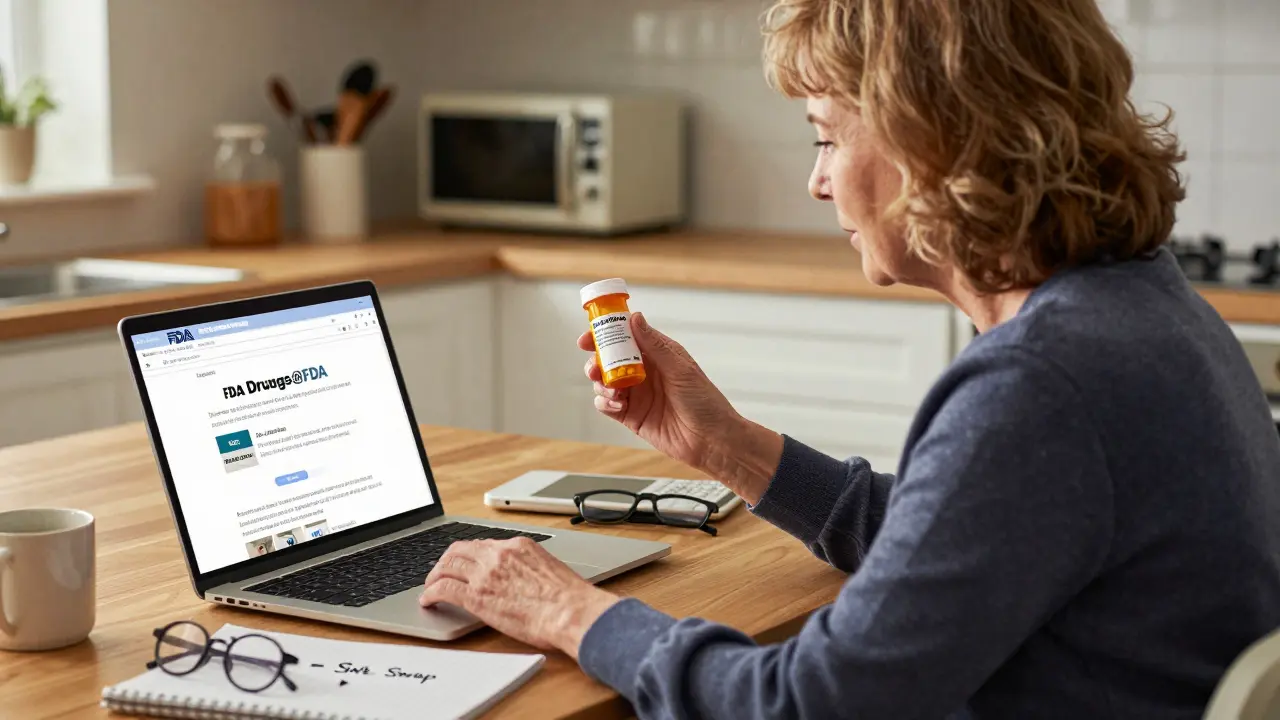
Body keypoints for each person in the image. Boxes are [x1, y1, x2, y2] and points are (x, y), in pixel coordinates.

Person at [417, 0, 1280, 717]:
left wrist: (573, 613)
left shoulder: (1041, 382)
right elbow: (952, 546)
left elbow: (808, 704)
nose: (817, 181)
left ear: (932, 141)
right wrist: (727, 447)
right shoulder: (1140, 306)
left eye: (826, 137)